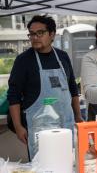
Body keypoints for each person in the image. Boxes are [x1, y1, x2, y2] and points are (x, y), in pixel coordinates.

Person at [7, 15, 83, 160]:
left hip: (65, 125)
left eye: (40, 33)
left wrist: (78, 116)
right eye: (32, 34)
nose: (35, 37)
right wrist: (18, 126)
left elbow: (73, 88)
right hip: (38, 129)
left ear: (52, 34)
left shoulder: (62, 56)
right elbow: (13, 96)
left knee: (67, 162)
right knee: (42, 165)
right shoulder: (23, 61)